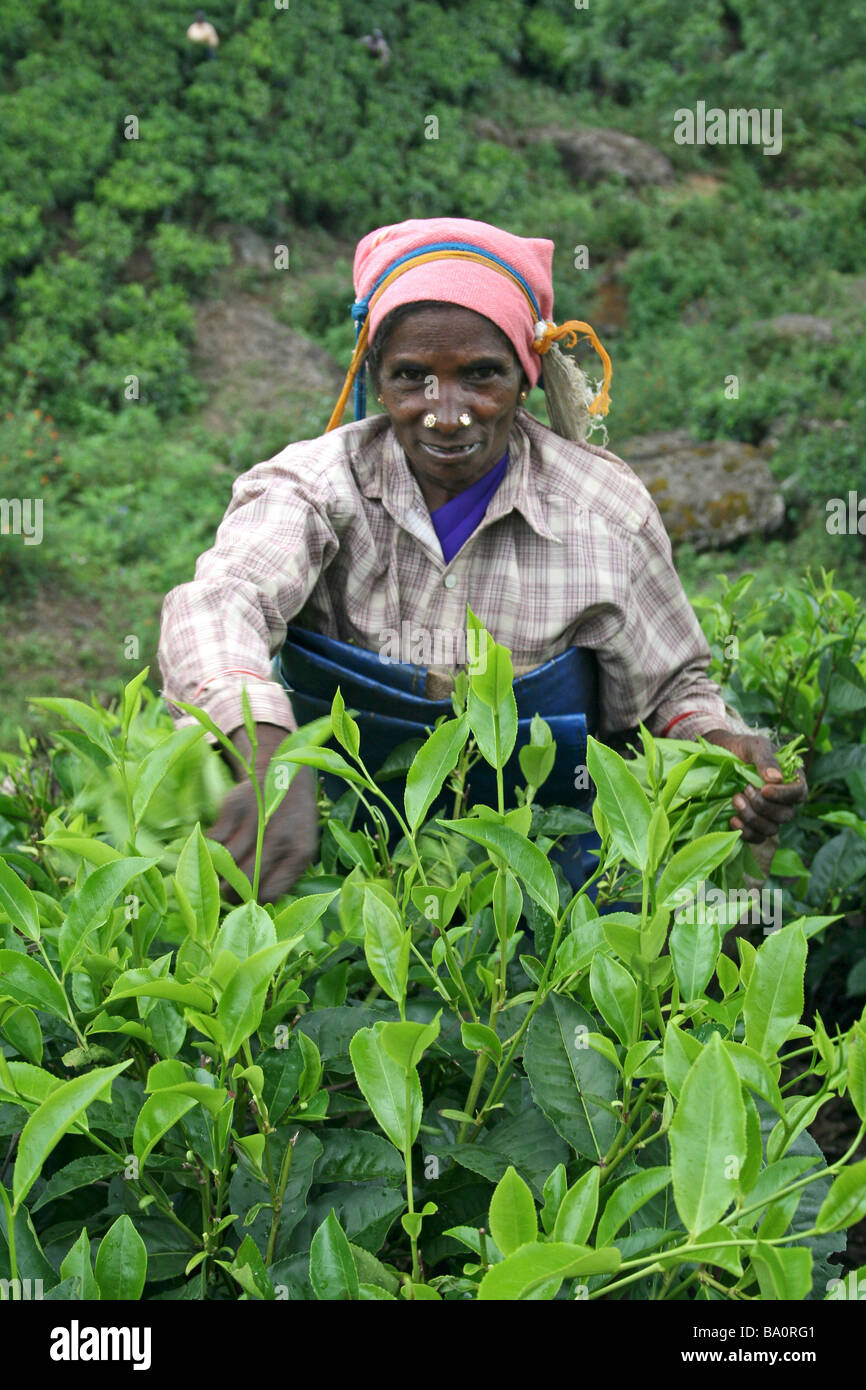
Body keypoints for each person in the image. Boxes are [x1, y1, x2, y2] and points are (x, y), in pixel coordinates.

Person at [158, 216, 807, 901]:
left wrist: (720, 746)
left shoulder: (603, 511)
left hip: (551, 884)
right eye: (413, 376)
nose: (445, 412)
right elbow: (220, 601)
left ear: (527, 377)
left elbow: (670, 691)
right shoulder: (315, 488)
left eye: (480, 376)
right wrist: (269, 760)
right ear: (375, 378)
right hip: (342, 871)